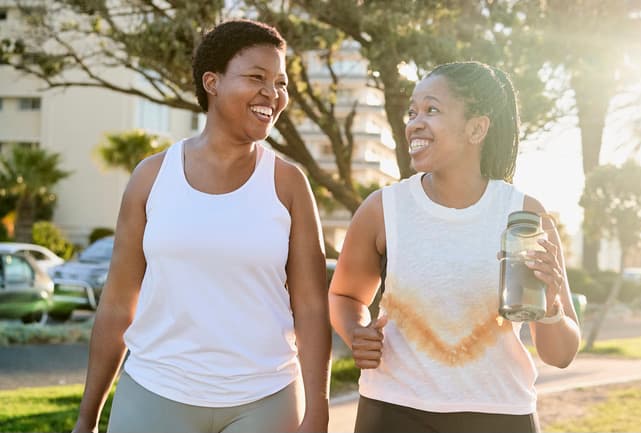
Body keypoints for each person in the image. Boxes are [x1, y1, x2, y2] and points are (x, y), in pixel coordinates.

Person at [72, 19, 330, 433]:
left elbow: (312, 308)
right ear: (212, 82)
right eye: (256, 77)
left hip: (265, 398)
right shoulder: (151, 177)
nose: (273, 94)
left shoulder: (289, 184)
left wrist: (318, 410)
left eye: (280, 83)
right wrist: (87, 417)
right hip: (155, 390)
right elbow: (119, 304)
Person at [329, 61, 581, 433]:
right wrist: (356, 332)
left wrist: (551, 307)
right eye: (412, 111)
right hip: (394, 410)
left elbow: (560, 355)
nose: (415, 122)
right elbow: (346, 295)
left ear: (477, 128)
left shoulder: (524, 216)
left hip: (498, 414)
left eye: (432, 110)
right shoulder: (382, 209)